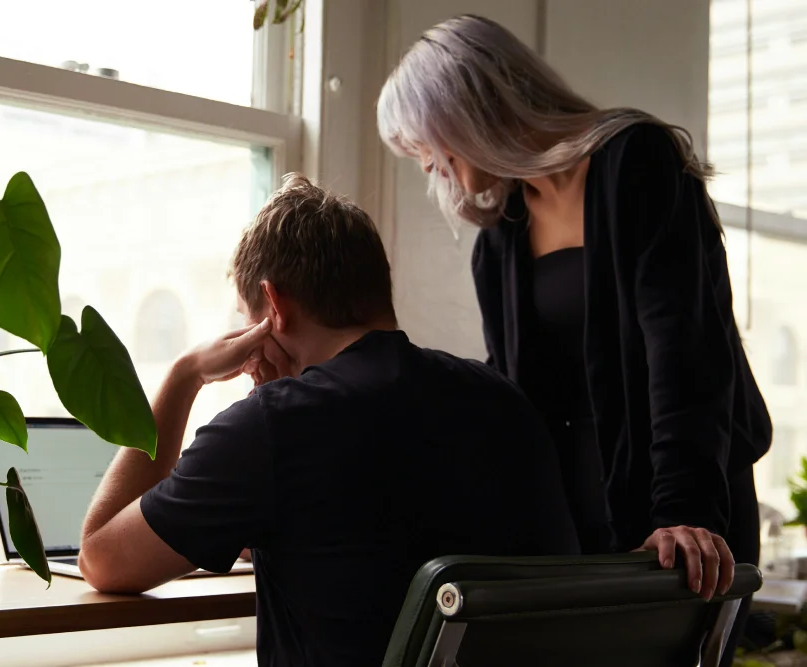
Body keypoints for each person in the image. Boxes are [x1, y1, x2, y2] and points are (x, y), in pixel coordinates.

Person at [376, 13, 772, 663]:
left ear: (467, 113)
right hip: (574, 530)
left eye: (426, 144)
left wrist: (686, 510)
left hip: (677, 517)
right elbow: (508, 397)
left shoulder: (634, 162)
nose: (429, 165)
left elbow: (685, 351)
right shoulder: (500, 237)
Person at [79, 174, 580, 666]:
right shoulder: (505, 401)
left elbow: (101, 558)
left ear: (273, 306)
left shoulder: (271, 427)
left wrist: (184, 375)